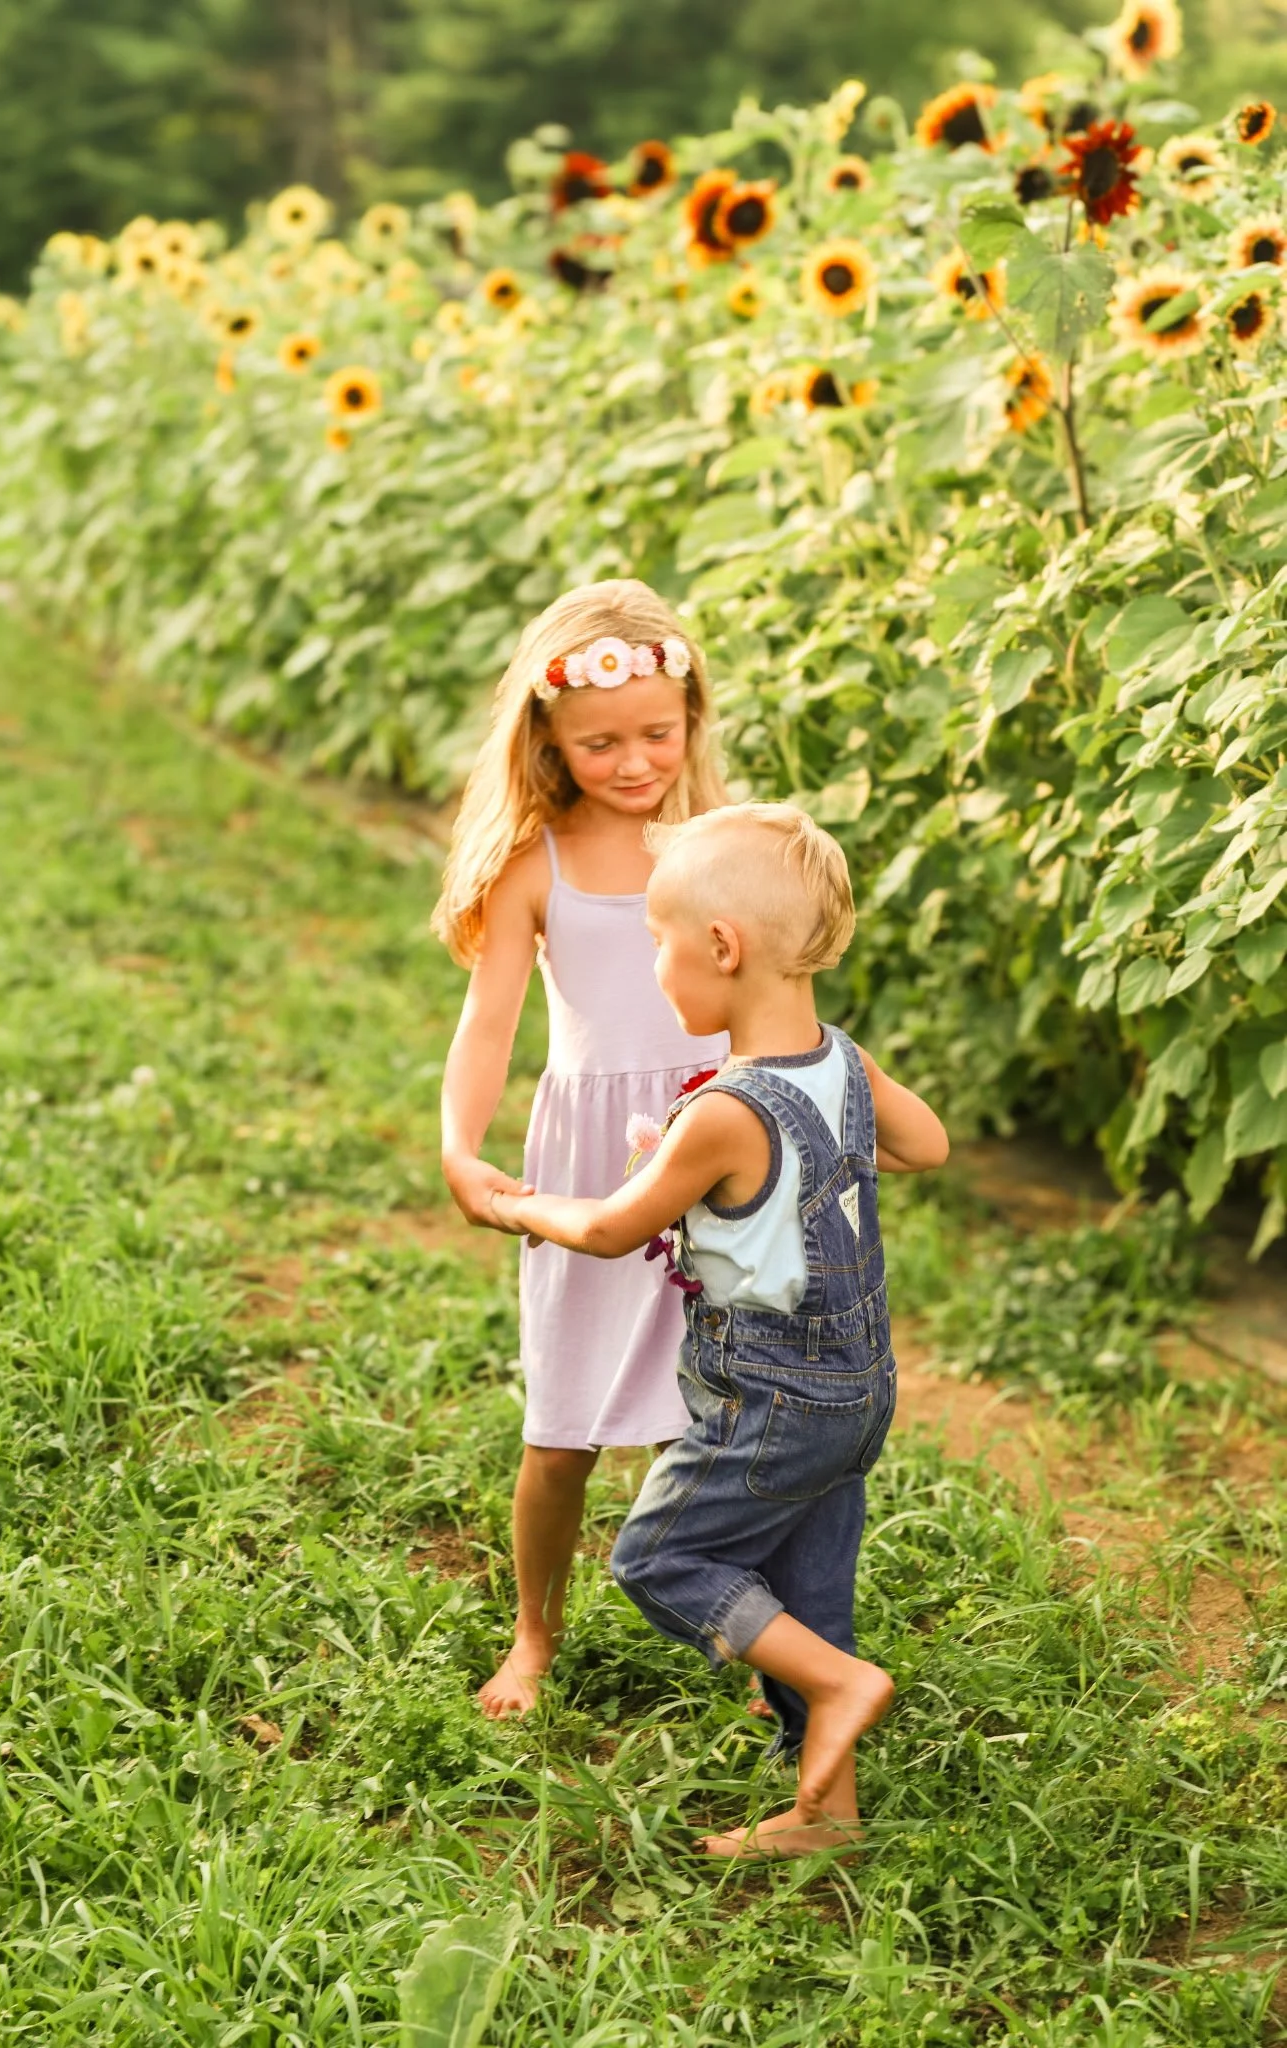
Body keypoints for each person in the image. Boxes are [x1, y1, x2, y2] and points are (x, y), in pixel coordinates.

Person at [490, 803, 949, 1856]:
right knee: (806, 1588)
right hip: (858, 1389)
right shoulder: (842, 1062)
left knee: (657, 1556)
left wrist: (520, 1204)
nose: (653, 962)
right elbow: (929, 1144)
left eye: (658, 939)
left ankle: (838, 1682)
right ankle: (826, 1811)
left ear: (723, 947)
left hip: (773, 1400)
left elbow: (609, 1227)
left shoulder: (725, 1110)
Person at [434, 579, 729, 1717]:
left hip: (715, 1142)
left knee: (723, 1411)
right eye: (600, 742)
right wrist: (463, 1147)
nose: (634, 759)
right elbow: (491, 1023)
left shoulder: (712, 848)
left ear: (691, 719)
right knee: (563, 1428)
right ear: (549, 737)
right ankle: (532, 1635)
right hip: (589, 1156)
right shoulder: (536, 865)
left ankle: (743, 1628)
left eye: (658, 733)